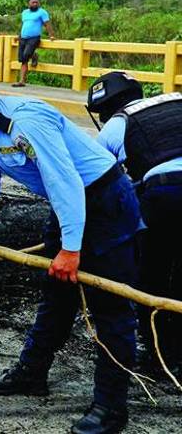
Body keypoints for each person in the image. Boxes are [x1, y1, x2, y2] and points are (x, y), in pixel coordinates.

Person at [0, 57, 140, 434]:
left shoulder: (27, 119)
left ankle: (111, 407)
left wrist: (71, 249)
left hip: (105, 202)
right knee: (56, 295)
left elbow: (64, 180)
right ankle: (32, 373)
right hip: (68, 205)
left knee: (110, 307)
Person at [87, 72, 182, 374]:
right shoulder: (177, 100)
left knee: (152, 273)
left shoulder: (118, 123)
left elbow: (96, 181)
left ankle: (161, 355)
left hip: (167, 193)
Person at [13, 0, 55, 87]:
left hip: (34, 37)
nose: (35, 4)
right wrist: (19, 36)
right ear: (29, 4)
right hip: (23, 38)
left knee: (26, 54)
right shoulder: (24, 13)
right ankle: (22, 81)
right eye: (33, 2)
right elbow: (24, 25)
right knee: (23, 60)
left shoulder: (42, 12)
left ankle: (33, 55)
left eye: (37, 2)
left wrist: (51, 35)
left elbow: (47, 24)